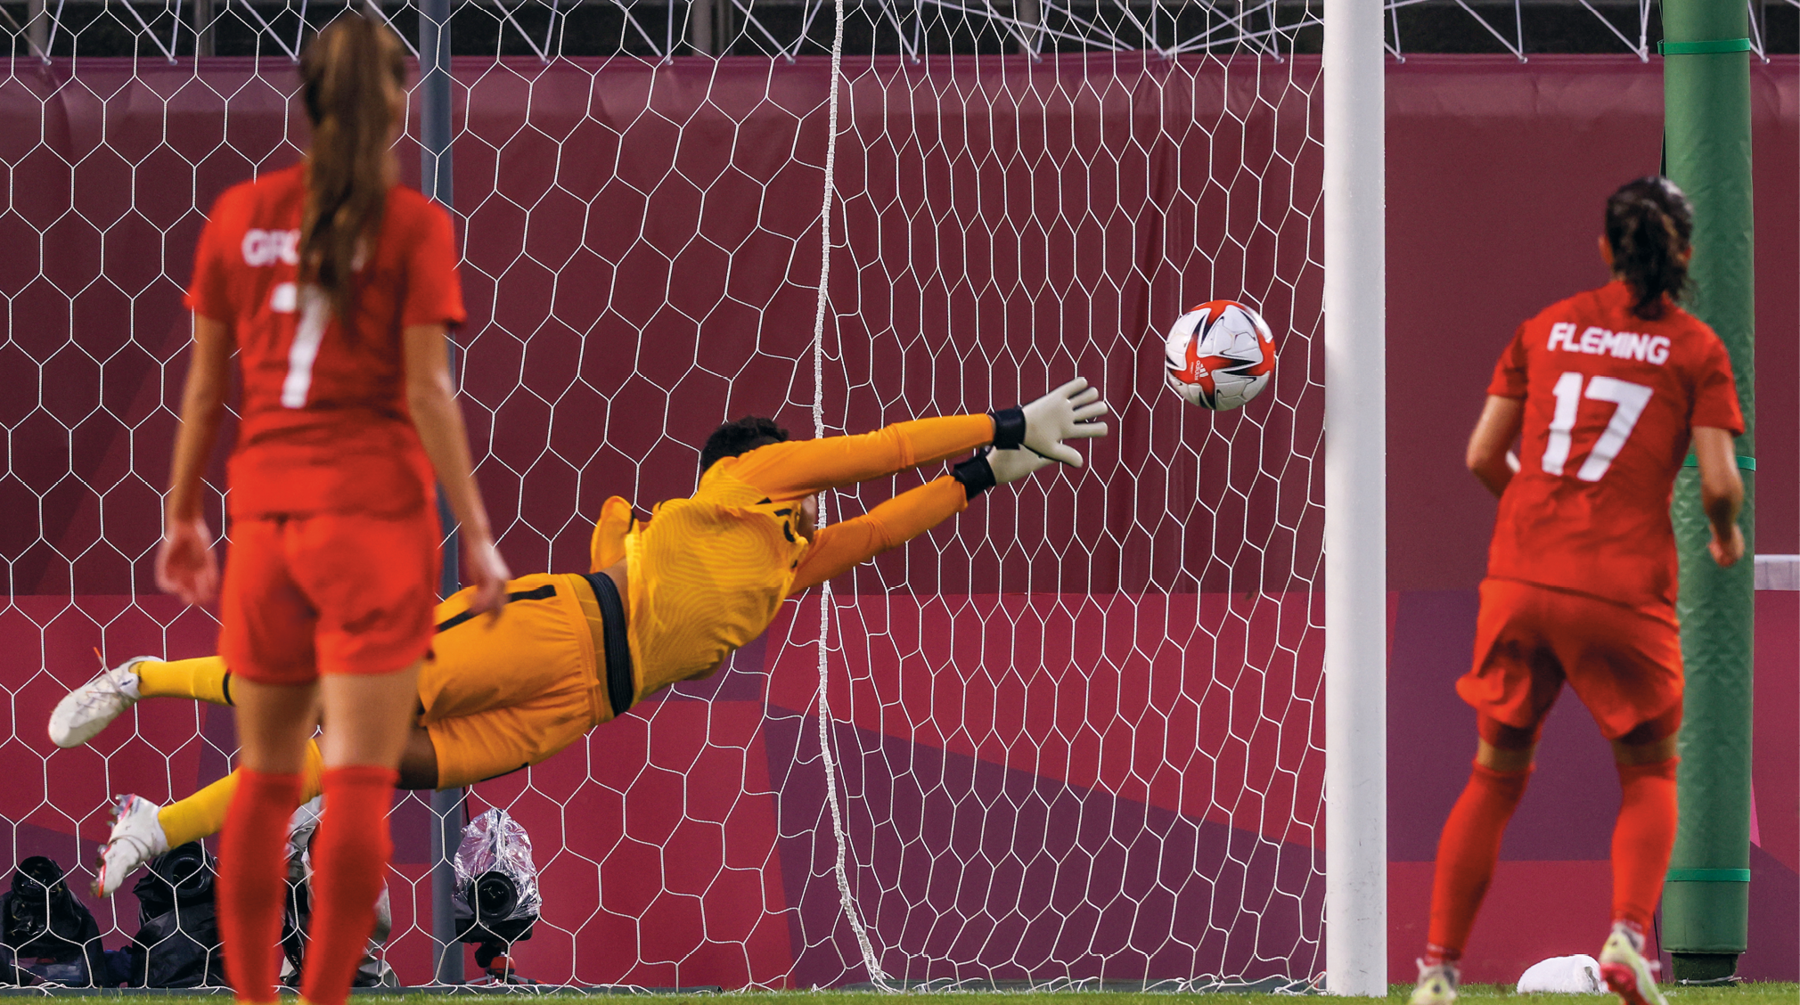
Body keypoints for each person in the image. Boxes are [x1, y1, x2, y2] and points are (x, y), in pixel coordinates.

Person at [67, 404, 1103, 893]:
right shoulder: (739, 485)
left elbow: (880, 525)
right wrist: (1006, 415)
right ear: (739, 468)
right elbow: (874, 454)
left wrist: (989, 472)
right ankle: (145, 687)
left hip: (579, 705)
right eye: (789, 469)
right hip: (551, 624)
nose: (809, 486)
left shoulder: (791, 561)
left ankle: (159, 822)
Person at [153, 14, 508, 1005]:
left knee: (266, 783)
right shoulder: (414, 226)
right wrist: (477, 538)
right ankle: (322, 1000)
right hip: (376, 526)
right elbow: (431, 394)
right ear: (399, 101)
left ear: (305, 99)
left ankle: (257, 1001)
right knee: (353, 778)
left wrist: (182, 517)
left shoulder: (238, 215)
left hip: (267, 524)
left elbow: (204, 387)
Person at [1408, 176, 1744, 1005]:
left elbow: (1484, 454)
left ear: (1604, 249)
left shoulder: (1547, 325)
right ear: (1688, 255)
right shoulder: (1696, 348)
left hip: (1521, 576)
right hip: (1621, 587)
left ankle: (1439, 972)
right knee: (1649, 773)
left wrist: (1538, 517)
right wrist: (1727, 533)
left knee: (1493, 777)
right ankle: (1629, 936)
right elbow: (1720, 484)